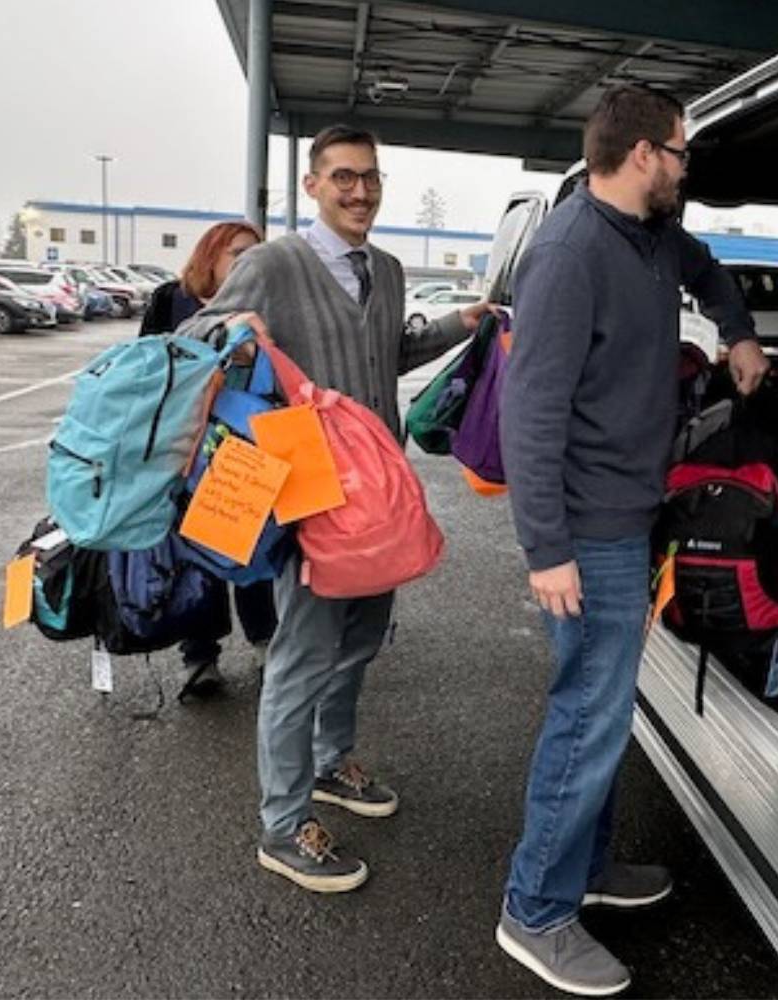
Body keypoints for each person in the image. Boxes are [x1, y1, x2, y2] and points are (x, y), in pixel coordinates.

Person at [496, 85, 770, 996]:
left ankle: (590, 869)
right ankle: (535, 909)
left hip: (632, 511)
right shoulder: (570, 253)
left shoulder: (652, 237)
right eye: (683, 153)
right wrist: (546, 550)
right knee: (587, 715)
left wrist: (736, 331)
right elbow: (531, 414)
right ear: (645, 154)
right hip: (587, 529)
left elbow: (711, 269)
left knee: (607, 712)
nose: (689, 169)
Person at [179, 124, 489, 893]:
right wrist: (231, 330)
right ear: (313, 186)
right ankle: (282, 826)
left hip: (380, 496)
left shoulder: (384, 267)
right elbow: (193, 334)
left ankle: (329, 763)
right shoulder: (273, 263)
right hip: (311, 496)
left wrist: (460, 325)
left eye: (371, 177)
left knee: (363, 638)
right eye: (344, 177)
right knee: (301, 656)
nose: (361, 191)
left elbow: (386, 352)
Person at [139, 220, 276, 699]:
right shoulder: (170, 298)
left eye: (256, 254)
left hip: (244, 448)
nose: (248, 264)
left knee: (251, 549)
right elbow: (146, 366)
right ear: (211, 255)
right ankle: (200, 658)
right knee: (193, 557)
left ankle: (265, 645)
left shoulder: (264, 308)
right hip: (184, 448)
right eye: (238, 253)